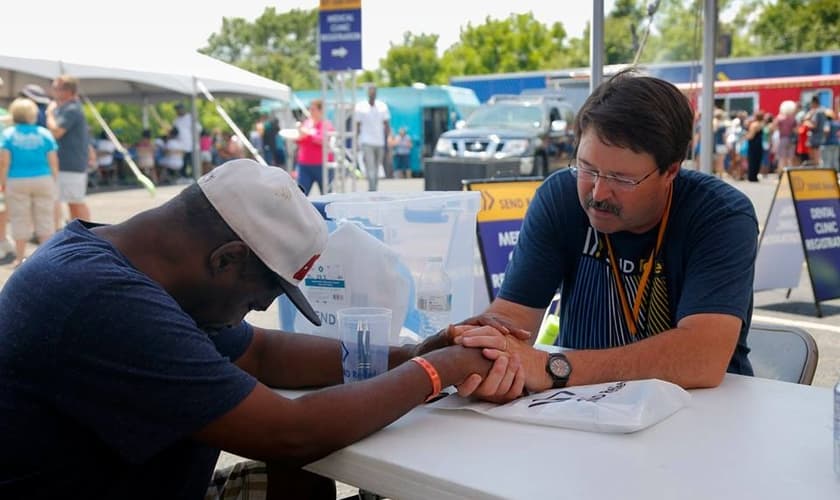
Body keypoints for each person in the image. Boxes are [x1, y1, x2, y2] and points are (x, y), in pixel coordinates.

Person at [0, 158, 516, 499]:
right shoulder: (100, 299)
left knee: (306, 482)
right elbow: (291, 433)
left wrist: (413, 353)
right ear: (228, 259)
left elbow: (262, 353)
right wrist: (438, 369)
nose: (254, 311)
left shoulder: (133, 266)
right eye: (261, 295)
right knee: (307, 462)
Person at [453, 70, 759, 400]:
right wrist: (487, 352)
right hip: (580, 408)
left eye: (621, 179)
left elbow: (701, 355)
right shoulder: (561, 196)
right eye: (587, 168)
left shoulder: (719, 215)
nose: (598, 192)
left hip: (705, 414)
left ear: (671, 170)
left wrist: (553, 368)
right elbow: (512, 318)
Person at [0, 98, 58, 267]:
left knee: (19, 218)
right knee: (45, 218)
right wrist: (53, 179)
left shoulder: (8, 134)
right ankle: (46, 259)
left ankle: (20, 258)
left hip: (16, 180)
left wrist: (2, 181)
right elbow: (53, 160)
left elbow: (5, 161)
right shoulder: (44, 133)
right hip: (43, 178)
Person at [46, 74, 91, 226]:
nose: (52, 91)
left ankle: (87, 235)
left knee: (75, 202)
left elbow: (57, 131)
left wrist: (49, 113)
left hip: (70, 164)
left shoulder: (71, 108)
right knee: (72, 202)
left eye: (55, 88)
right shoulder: (68, 108)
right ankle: (81, 234)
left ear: (67, 91)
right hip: (68, 164)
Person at [354, 85, 390, 191]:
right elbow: (357, 126)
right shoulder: (361, 107)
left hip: (380, 142)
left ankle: (374, 189)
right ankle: (372, 190)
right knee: (370, 168)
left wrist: (387, 140)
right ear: (368, 93)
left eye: (374, 92)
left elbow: (386, 124)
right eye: (370, 92)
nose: (372, 94)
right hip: (367, 141)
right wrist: (356, 140)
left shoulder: (382, 106)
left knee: (377, 167)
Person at [295, 99, 334, 195]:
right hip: (305, 165)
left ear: (320, 111)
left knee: (326, 195)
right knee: (301, 194)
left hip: (322, 165)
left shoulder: (326, 124)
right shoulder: (307, 123)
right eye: (310, 109)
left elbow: (323, 140)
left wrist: (309, 134)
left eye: (313, 109)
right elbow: (299, 140)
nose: (311, 112)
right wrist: (301, 134)